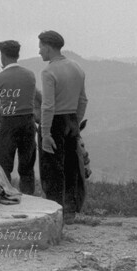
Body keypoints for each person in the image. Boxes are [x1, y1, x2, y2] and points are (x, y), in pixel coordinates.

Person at [37, 30, 88, 224]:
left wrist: (45, 132)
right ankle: (69, 211)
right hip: (71, 119)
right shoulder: (77, 67)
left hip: (54, 123)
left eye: (41, 46)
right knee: (71, 167)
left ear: (48, 47)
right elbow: (83, 99)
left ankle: (53, 211)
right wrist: (75, 121)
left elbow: (47, 105)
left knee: (52, 168)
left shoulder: (49, 71)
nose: (39, 50)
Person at [0, 40, 37, 195]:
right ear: (17, 54)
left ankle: (6, 196)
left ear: (2, 56)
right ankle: (30, 198)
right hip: (29, 123)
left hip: (8, 124)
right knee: (27, 167)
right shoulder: (30, 75)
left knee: (3, 166)